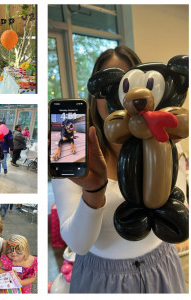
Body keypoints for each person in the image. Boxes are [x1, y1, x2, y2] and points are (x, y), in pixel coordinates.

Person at [52, 46, 187, 293]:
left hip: (161, 268)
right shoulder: (74, 151)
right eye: (111, 86)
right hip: (102, 280)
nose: (125, 98)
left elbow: (175, 215)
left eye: (130, 79)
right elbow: (78, 244)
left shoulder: (165, 144)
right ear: (95, 96)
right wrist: (93, 192)